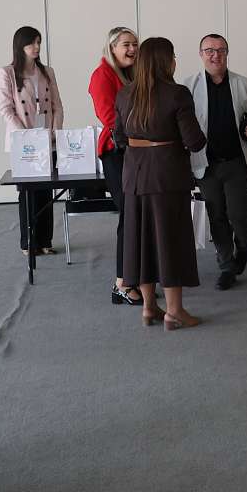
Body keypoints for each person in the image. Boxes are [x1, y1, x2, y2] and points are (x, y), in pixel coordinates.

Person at [114, 37, 207, 330]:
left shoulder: (125, 94)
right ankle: (175, 311)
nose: (175, 61)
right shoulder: (177, 94)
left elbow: (118, 137)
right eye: (173, 56)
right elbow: (194, 141)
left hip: (134, 177)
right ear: (166, 61)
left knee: (140, 241)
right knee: (170, 240)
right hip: (167, 177)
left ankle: (149, 307)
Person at [182, 34, 247, 291]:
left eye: (220, 50)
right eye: (209, 50)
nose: (215, 55)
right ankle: (226, 265)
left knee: (238, 215)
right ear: (201, 54)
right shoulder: (189, 86)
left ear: (227, 53)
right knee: (216, 215)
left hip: (236, 162)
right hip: (205, 164)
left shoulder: (243, 83)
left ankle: (243, 245)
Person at [0, 25, 64, 257]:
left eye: (38, 42)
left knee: (46, 191)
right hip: (23, 142)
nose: (36, 47)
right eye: (31, 43)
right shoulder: (7, 73)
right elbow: (6, 109)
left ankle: (45, 240)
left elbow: (57, 105)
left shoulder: (47, 72)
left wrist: (55, 131)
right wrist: (25, 136)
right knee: (28, 192)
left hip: (47, 139)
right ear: (20, 46)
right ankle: (28, 242)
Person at [89, 26, 141, 306]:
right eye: (126, 44)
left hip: (137, 151)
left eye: (135, 44)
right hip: (117, 152)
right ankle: (122, 283)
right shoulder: (102, 75)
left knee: (137, 216)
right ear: (112, 48)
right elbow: (109, 117)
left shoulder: (132, 74)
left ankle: (136, 277)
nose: (132, 49)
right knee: (129, 216)